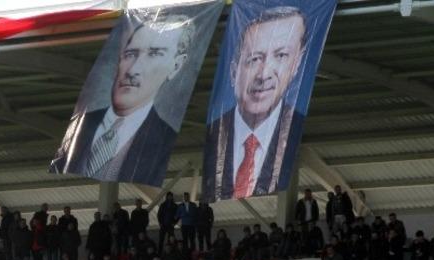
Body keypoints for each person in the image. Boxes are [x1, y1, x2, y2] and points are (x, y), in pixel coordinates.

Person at [50, 14, 194, 185]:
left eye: (154, 54)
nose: (133, 70)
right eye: (131, 54)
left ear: (176, 66)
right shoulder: (79, 127)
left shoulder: (163, 138)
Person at [203, 6, 308, 200]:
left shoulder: (299, 128)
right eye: (254, 59)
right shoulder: (215, 131)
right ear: (234, 71)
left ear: (296, 65)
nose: (264, 74)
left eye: (281, 56)